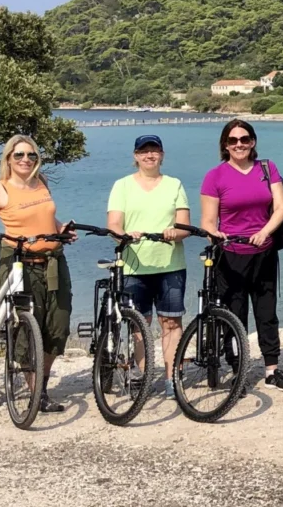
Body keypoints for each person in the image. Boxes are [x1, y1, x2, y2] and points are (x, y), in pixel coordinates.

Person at [0, 135, 73, 412]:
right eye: (19, 155)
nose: (25, 160)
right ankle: (37, 392)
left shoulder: (42, 183)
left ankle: (38, 383)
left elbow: (46, 217)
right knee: (27, 327)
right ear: (8, 159)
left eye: (30, 155)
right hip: (18, 261)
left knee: (59, 325)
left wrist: (62, 228)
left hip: (53, 260)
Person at [199, 119, 283, 391]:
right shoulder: (215, 176)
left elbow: (281, 208)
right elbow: (208, 221)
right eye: (233, 140)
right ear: (225, 145)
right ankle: (238, 371)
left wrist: (265, 232)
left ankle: (272, 369)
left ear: (252, 142)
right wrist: (215, 235)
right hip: (231, 255)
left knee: (267, 313)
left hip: (264, 252)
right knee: (235, 316)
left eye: (244, 139)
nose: (238, 144)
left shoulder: (267, 168)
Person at [106, 134, 192, 398]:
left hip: (169, 264)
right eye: (144, 151)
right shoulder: (122, 186)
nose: (149, 155)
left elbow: (184, 225)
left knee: (171, 323)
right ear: (135, 156)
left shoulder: (174, 184)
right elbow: (113, 224)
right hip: (134, 266)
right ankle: (144, 377)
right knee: (140, 326)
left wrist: (173, 233)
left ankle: (171, 378)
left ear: (162, 155)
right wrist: (123, 234)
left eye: (154, 150)